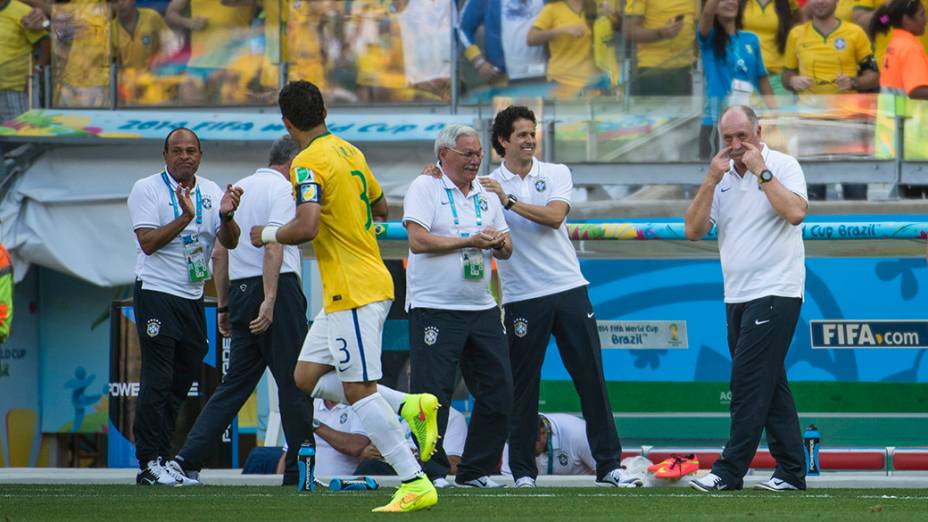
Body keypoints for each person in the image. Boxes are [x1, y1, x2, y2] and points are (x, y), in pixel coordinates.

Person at [249, 80, 439, 513]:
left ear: (286, 121)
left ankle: (414, 480)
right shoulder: (351, 152)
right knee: (304, 377)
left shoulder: (306, 162)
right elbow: (382, 208)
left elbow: (308, 225)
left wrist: (267, 233)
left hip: (353, 289)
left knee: (358, 391)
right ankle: (411, 405)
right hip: (357, 285)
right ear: (324, 112)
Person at [456, 106, 637, 489]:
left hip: (568, 288)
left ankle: (609, 465)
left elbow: (556, 217)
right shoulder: (487, 185)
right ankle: (523, 471)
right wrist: (432, 174)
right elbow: (453, 191)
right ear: (503, 140)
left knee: (591, 380)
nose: (529, 139)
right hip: (522, 297)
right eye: (521, 134)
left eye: (532, 132)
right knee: (523, 388)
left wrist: (507, 201)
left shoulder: (555, 173)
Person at [170, 136, 312, 486]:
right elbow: (273, 245)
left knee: (233, 386)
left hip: (240, 290)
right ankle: (299, 471)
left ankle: (187, 459)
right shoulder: (283, 189)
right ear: (293, 162)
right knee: (296, 383)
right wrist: (270, 298)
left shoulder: (237, 188)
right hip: (276, 291)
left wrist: (223, 305)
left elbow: (220, 253)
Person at [685, 105, 808, 493]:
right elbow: (692, 230)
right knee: (771, 387)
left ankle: (729, 469)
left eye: (743, 136)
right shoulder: (720, 179)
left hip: (777, 290)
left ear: (759, 131)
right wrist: (709, 178)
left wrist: (761, 170)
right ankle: (791, 471)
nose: (737, 145)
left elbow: (795, 213)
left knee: (748, 383)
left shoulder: (783, 165)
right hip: (737, 295)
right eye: (728, 139)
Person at [128, 128, 243, 486]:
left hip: (192, 297)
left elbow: (231, 242)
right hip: (157, 292)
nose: (184, 157)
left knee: (181, 382)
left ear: (200, 155)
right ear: (165, 156)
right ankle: (148, 462)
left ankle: (163, 457)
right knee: (158, 378)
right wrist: (183, 218)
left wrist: (226, 217)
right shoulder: (147, 189)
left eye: (190, 151)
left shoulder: (210, 191)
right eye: (176, 151)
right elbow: (147, 243)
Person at [403, 124, 513, 489]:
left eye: (479, 153)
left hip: (480, 306)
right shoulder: (425, 186)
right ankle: (431, 472)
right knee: (432, 395)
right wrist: (468, 240)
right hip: (434, 305)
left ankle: (476, 470)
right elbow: (418, 240)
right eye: (467, 153)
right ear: (444, 155)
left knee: (499, 390)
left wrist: (496, 243)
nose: (475, 160)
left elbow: (508, 247)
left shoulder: (486, 193)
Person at [782, 0, 876, 199]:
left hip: (849, 123)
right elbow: (786, 76)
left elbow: (874, 76)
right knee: (813, 194)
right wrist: (793, 80)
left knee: (855, 192)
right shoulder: (796, 34)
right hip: (810, 123)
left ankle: (859, 229)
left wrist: (854, 82)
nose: (820, 2)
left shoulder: (855, 33)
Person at [698, 0, 775, 160]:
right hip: (714, 120)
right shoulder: (708, 39)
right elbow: (706, 15)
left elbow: (762, 79)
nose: (730, 2)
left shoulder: (751, 39)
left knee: (753, 175)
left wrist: (775, 113)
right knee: (713, 178)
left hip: (747, 122)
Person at [870, 0, 928, 197]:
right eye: (922, 15)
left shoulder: (894, 43)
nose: (926, 20)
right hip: (914, 137)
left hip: (896, 134)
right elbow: (916, 90)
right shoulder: (910, 47)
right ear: (906, 20)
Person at [457, 0, 547, 88]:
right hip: (501, 80)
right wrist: (479, 62)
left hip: (541, 76)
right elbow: (461, 28)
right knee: (511, 104)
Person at [527, 0, 605, 98]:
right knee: (567, 112)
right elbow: (531, 38)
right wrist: (561, 30)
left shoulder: (595, 6)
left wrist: (613, 15)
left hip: (592, 80)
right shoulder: (552, 9)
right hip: (562, 80)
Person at [624, 0, 698, 96]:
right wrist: (661, 33)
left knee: (681, 110)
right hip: (653, 70)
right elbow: (630, 31)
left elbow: (695, 24)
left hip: (685, 69)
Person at [501, 414, 600, 478]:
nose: (524, 451)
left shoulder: (579, 434)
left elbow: (605, 473)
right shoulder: (514, 439)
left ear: (543, 433)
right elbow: (509, 480)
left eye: (528, 446)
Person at [0, 0, 48, 123]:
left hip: (17, 88)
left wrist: (38, 69)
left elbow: (45, 42)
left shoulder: (23, 11)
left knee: (23, 132)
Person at [741, 0, 800, 95]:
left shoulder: (789, 2)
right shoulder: (739, 2)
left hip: (777, 76)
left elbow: (800, 24)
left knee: (782, 110)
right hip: (745, 76)